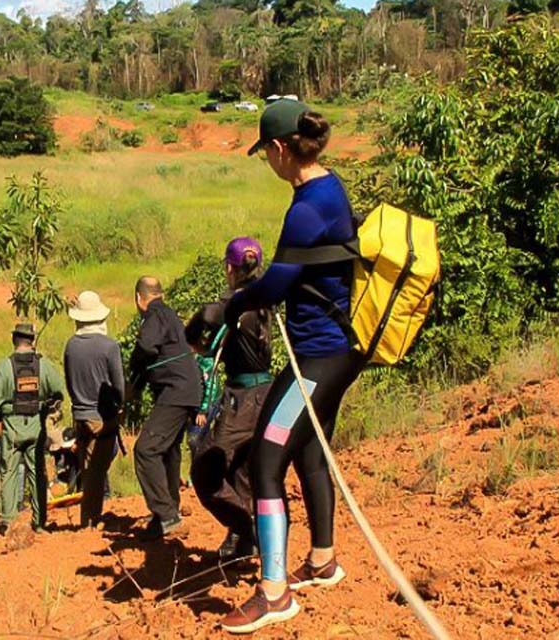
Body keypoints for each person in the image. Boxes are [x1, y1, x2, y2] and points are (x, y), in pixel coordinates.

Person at [220, 100, 364, 634]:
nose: (269, 164)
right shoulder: (330, 187)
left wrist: (230, 305)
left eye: (266, 155)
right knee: (309, 446)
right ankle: (322, 559)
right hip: (339, 350)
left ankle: (274, 591)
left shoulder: (305, 207)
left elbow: (275, 284)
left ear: (281, 149)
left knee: (265, 460)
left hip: (316, 356)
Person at [186, 237, 273, 562]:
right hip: (267, 393)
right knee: (242, 470)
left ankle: (248, 528)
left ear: (228, 268)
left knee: (205, 471)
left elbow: (196, 330)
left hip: (242, 398)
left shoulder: (226, 307)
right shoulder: (266, 300)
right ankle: (243, 539)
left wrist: (204, 348)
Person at [129, 276, 202, 540]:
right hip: (188, 389)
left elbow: (147, 347)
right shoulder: (170, 314)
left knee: (146, 450)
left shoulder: (154, 315)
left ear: (139, 298)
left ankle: (168, 516)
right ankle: (165, 517)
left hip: (175, 390)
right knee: (169, 450)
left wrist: (133, 376)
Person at [0, 323, 64, 533]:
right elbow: (58, 391)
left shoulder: (4, 366)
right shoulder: (43, 365)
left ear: (14, 340)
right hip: (36, 427)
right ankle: (39, 522)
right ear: (32, 341)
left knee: (8, 473)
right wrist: (47, 408)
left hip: (12, 428)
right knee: (37, 473)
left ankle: (9, 522)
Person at [63, 290, 125, 529]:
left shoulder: (71, 346)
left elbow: (69, 381)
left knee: (89, 466)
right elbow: (118, 385)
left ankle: (89, 518)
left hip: (80, 414)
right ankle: (90, 521)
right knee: (96, 471)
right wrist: (119, 407)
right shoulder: (109, 346)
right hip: (102, 416)